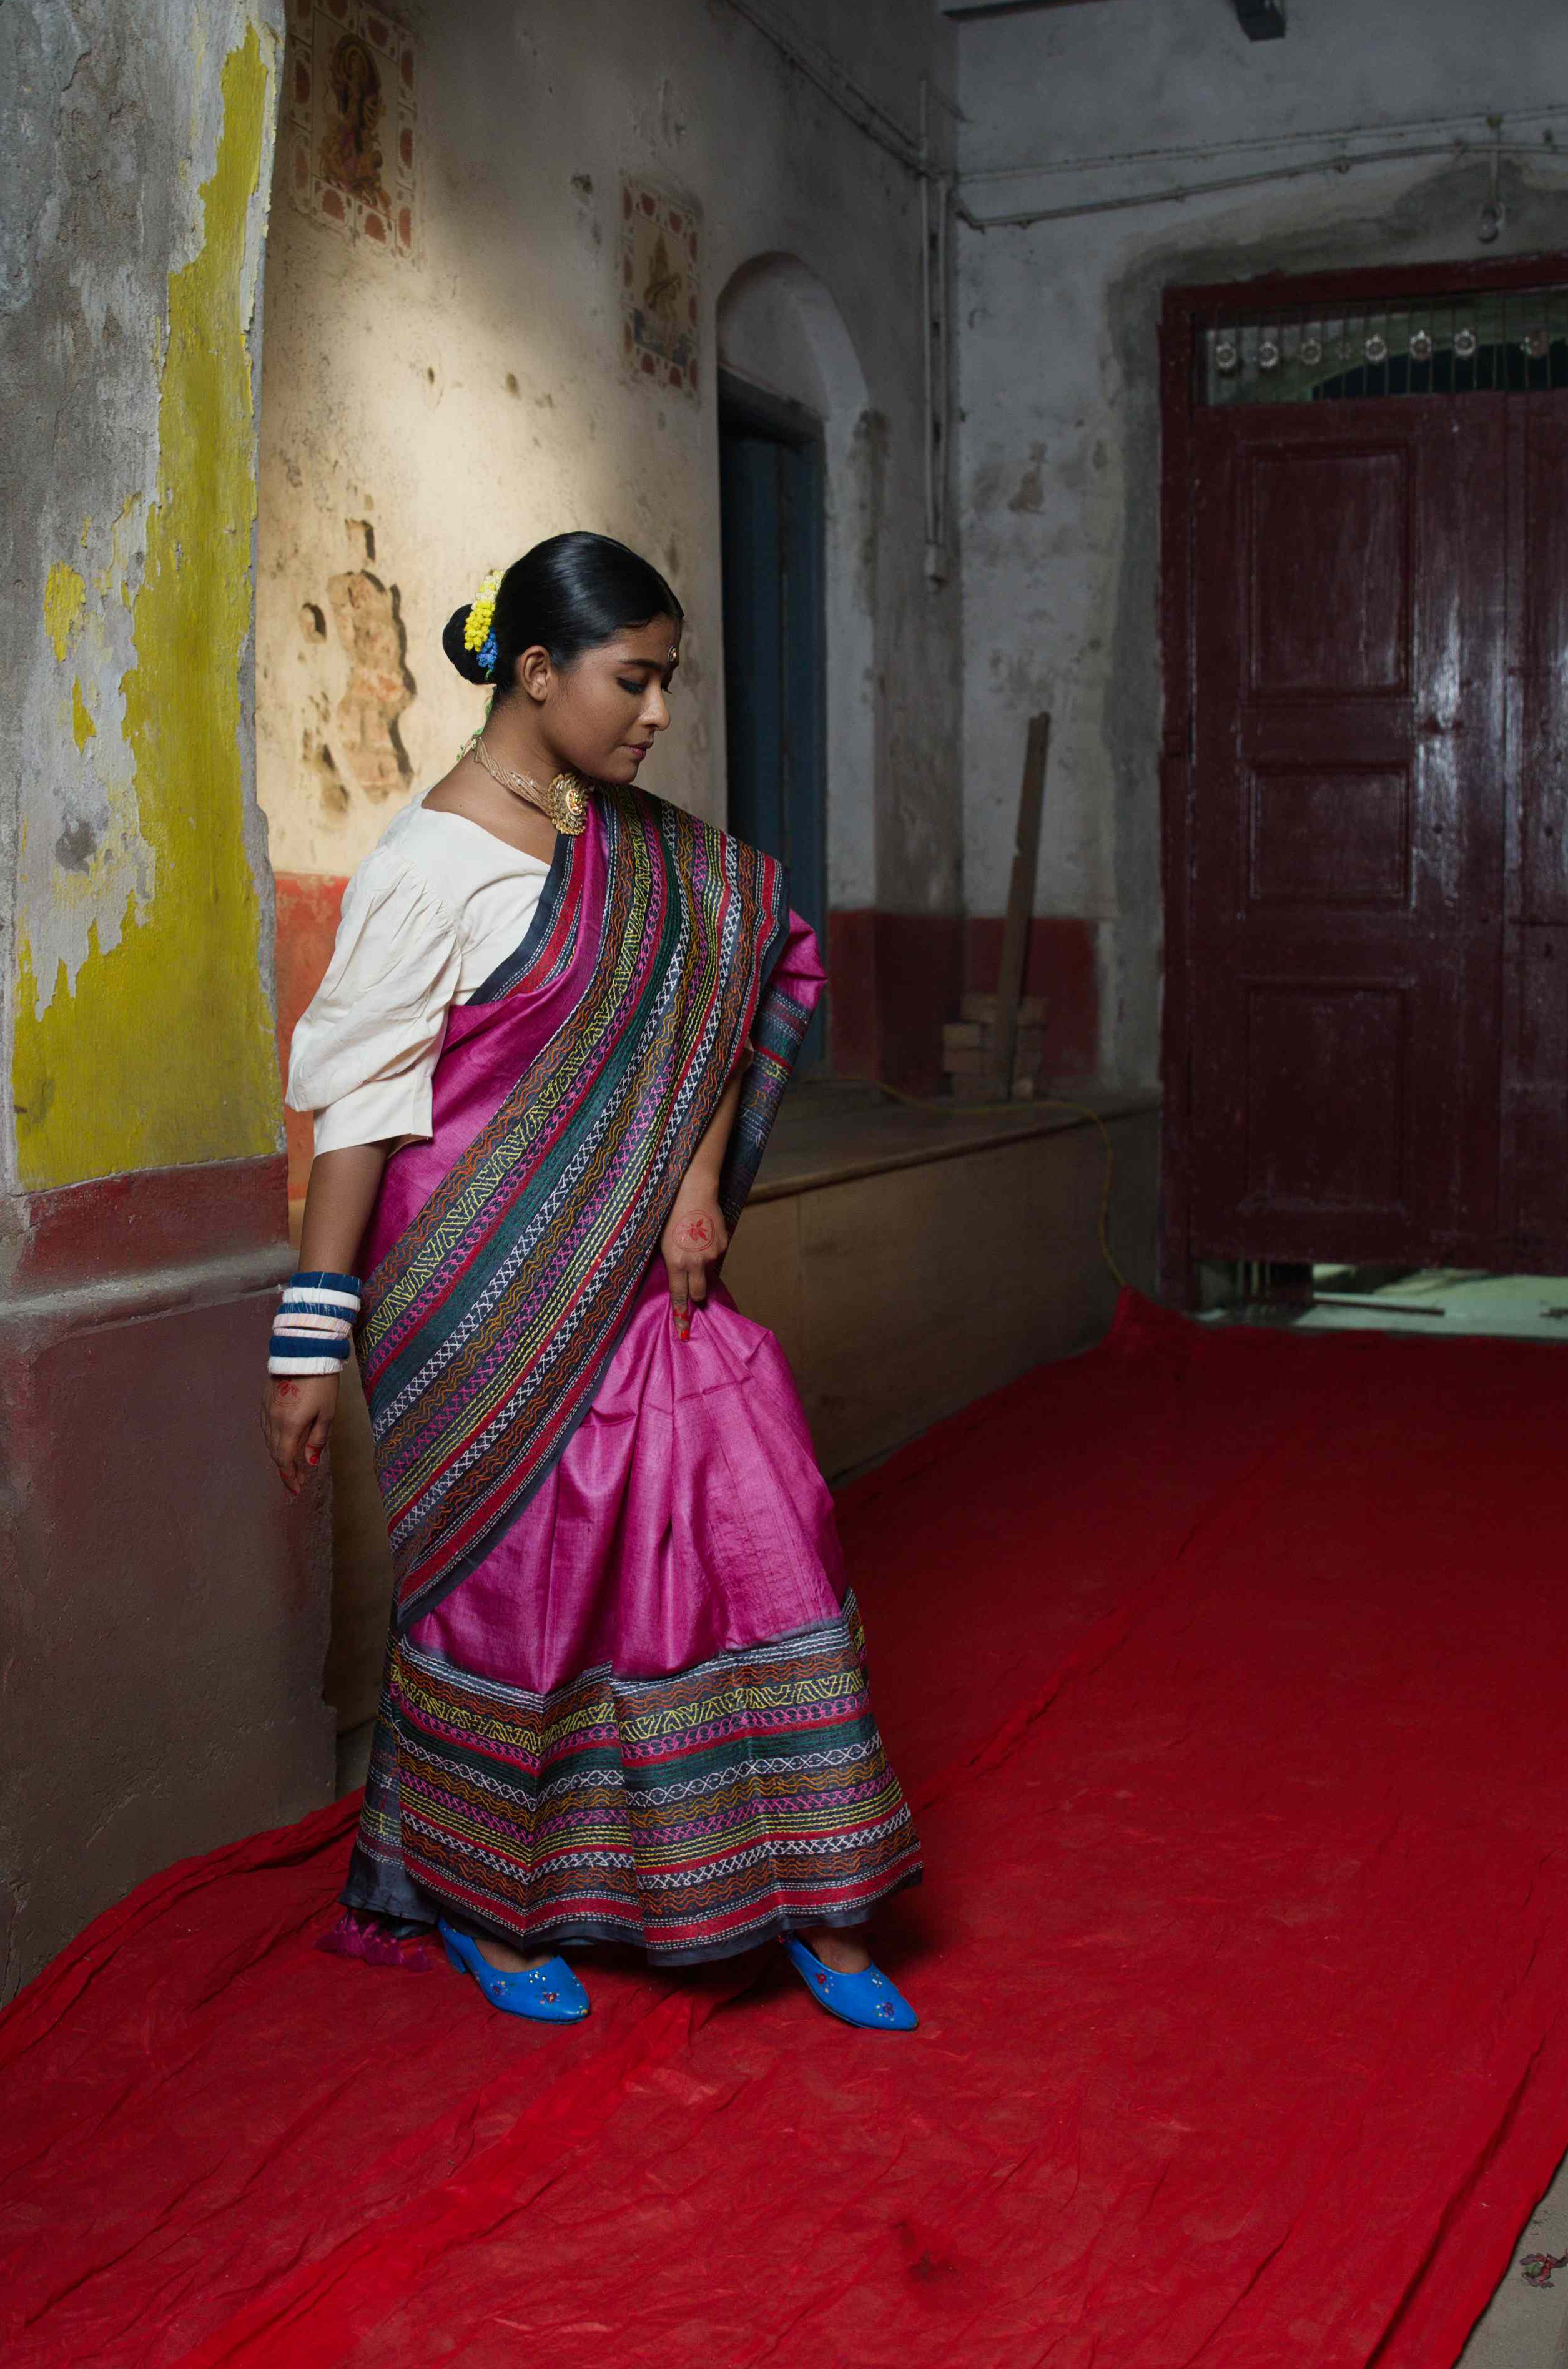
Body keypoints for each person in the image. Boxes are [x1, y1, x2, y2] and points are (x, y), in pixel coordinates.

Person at [265, 531, 923, 2031]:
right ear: (538, 670)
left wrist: (694, 1186)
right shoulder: (429, 866)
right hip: (474, 1294)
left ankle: (811, 1888)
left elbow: (736, 978)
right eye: (635, 680)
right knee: (521, 1596)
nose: (657, 713)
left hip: (640, 1274)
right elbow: (360, 1115)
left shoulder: (641, 847)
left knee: (763, 1526)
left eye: (669, 680)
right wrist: (309, 1342)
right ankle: (469, 1895)